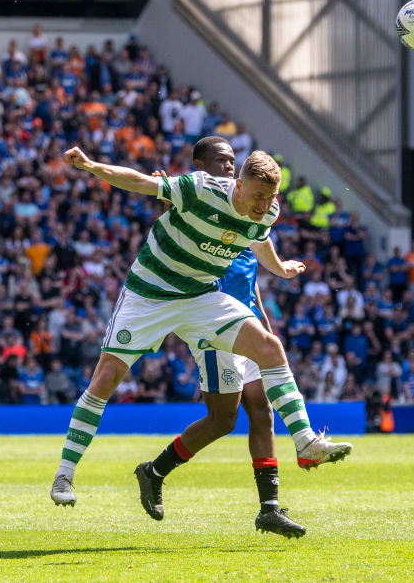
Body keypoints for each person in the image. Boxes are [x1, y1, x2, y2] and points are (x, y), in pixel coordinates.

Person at [50, 146, 352, 509]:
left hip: (199, 296)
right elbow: (142, 183)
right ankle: (65, 474)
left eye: (270, 198)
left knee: (270, 348)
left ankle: (305, 441)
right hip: (149, 294)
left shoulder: (268, 210)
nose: (263, 205)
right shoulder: (200, 188)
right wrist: (92, 166)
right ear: (238, 184)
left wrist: (281, 268)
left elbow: (260, 237)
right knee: (105, 381)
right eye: (257, 196)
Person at [134, 137, 305, 537]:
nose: (229, 168)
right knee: (223, 418)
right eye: (221, 161)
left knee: (260, 412)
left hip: (244, 323)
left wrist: (262, 320)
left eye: (232, 162)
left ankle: (269, 508)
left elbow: (250, 276)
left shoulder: (248, 215)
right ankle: (154, 470)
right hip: (212, 325)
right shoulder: (194, 205)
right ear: (198, 165)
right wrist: (168, 202)